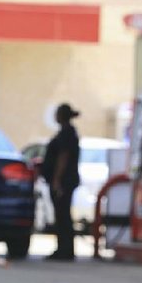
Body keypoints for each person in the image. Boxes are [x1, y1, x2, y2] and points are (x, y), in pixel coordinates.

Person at [42, 103, 81, 261]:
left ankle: (65, 249)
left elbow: (63, 158)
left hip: (64, 181)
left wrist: (57, 180)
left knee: (63, 215)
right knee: (61, 215)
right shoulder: (66, 133)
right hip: (64, 180)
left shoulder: (67, 134)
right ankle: (63, 248)